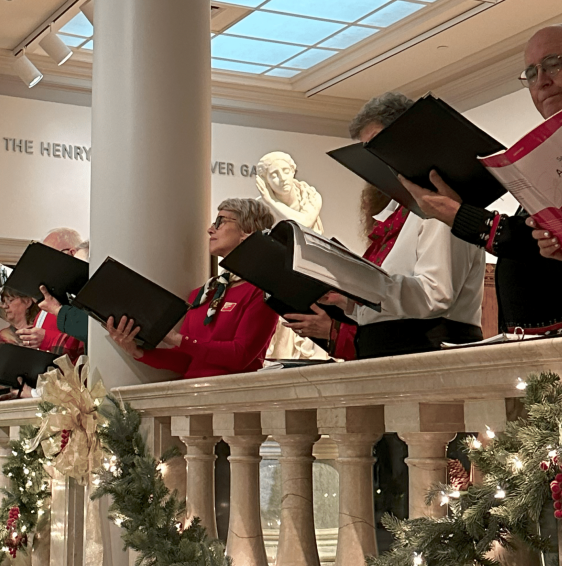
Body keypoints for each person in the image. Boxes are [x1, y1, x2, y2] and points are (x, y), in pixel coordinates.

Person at [400, 21, 562, 334]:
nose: (542, 81)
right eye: (531, 73)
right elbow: (549, 237)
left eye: (553, 64)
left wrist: (461, 215)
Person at [285, 92, 486, 359]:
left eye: (377, 146)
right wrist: (350, 301)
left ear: (409, 141)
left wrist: (363, 284)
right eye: (365, 150)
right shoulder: (397, 212)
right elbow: (393, 298)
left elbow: (435, 294)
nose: (373, 161)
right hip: (389, 348)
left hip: (429, 350)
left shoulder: (442, 204)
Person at [107, 198, 279, 379]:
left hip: (234, 397)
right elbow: (186, 360)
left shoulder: (261, 291)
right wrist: (136, 351)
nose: (210, 229)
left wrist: (177, 339)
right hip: (192, 396)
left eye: (220, 221)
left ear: (249, 231)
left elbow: (240, 355)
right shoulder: (203, 293)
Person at [256, 152, 324, 234]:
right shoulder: (259, 207)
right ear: (265, 180)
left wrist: (272, 201)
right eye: (274, 175)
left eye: (286, 171)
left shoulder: (311, 196)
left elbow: (303, 225)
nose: (282, 178)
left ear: (293, 171)